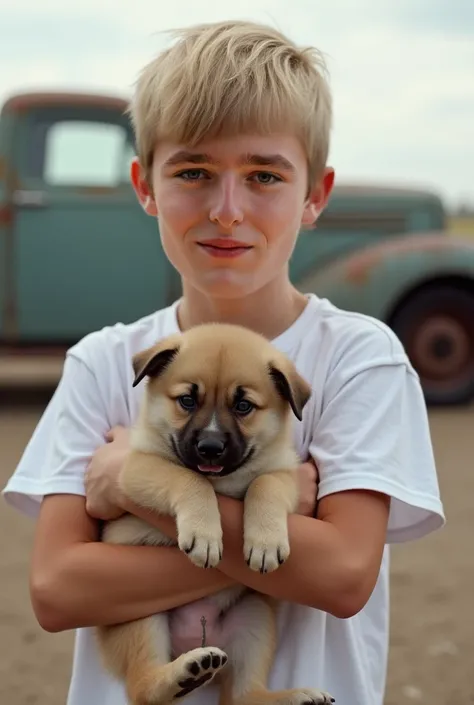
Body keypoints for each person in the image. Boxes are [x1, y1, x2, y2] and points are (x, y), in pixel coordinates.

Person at [2, 19, 445, 705]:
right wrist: (268, 512)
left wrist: (128, 484)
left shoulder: (360, 358)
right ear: (144, 186)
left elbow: (342, 576)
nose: (228, 210)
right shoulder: (105, 362)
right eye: (194, 172)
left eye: (264, 174)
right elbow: (58, 590)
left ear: (316, 193)